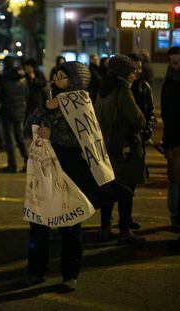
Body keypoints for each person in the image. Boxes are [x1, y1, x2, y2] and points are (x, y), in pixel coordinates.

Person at [24, 61, 96, 291]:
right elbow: (29, 123)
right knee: (38, 222)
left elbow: (84, 139)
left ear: (75, 80)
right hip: (44, 170)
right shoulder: (50, 98)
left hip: (70, 172)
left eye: (62, 76)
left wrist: (52, 133)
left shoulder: (83, 105)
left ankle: (70, 274)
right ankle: (36, 271)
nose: (56, 79)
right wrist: (47, 107)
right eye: (56, 75)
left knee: (70, 225)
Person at [95, 55, 146, 244]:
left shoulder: (103, 89)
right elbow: (137, 117)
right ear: (125, 73)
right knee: (126, 190)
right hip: (123, 147)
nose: (135, 75)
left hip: (106, 145)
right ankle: (125, 230)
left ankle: (105, 228)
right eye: (133, 72)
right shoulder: (122, 89)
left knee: (109, 189)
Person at [127, 53, 156, 230]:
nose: (138, 71)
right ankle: (106, 224)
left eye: (139, 67)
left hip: (138, 141)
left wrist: (147, 131)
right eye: (134, 68)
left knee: (132, 183)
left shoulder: (144, 87)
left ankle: (126, 220)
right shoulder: (121, 89)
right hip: (122, 143)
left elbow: (150, 112)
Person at [0, 56, 29, 173]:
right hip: (20, 111)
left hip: (7, 111)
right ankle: (28, 162)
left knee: (9, 139)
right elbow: (26, 95)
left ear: (5, 64)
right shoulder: (23, 78)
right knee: (20, 137)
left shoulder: (4, 78)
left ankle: (12, 165)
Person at [161, 46, 180, 235]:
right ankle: (175, 216)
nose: (178, 66)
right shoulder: (169, 85)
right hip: (176, 141)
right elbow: (168, 117)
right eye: (174, 62)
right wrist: (168, 144)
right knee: (175, 181)